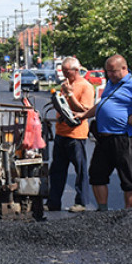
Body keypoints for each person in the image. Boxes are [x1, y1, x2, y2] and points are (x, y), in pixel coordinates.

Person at [74, 54, 132, 210]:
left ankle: (128, 214)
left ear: (124, 68)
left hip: (124, 137)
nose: (110, 74)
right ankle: (102, 210)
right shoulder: (111, 83)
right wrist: (84, 115)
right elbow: (102, 104)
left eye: (113, 71)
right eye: (108, 71)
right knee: (96, 175)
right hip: (104, 138)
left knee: (128, 178)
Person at [47, 57, 95, 213]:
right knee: (57, 170)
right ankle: (53, 202)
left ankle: (81, 202)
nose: (65, 74)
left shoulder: (86, 87)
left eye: (67, 72)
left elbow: (85, 110)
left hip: (76, 135)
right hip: (61, 133)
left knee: (80, 170)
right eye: (63, 71)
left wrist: (70, 94)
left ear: (76, 70)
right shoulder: (66, 84)